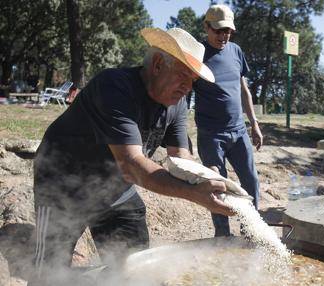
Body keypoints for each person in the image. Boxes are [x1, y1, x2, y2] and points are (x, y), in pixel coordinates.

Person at [30, 27, 234, 285]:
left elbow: (181, 156)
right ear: (158, 64)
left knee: (135, 267)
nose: (188, 87)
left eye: (193, 80)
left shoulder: (177, 103)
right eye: (184, 75)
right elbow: (131, 165)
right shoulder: (114, 86)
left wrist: (205, 176)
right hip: (64, 184)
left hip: (115, 188)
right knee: (48, 272)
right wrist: (195, 194)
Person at [193, 4, 262, 237]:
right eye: (219, 30)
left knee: (251, 182)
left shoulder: (236, 51)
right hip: (211, 135)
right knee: (218, 187)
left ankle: (251, 231)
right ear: (207, 27)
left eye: (228, 31)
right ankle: (223, 236)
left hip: (239, 131)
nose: (224, 36)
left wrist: (254, 124)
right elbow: (183, 94)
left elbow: (244, 90)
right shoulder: (196, 54)